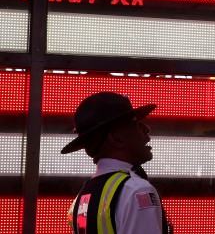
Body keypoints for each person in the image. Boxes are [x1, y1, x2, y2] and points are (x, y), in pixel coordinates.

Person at [61, 91, 171, 234]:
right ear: (116, 139)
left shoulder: (82, 198)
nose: (146, 129)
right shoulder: (137, 190)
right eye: (136, 124)